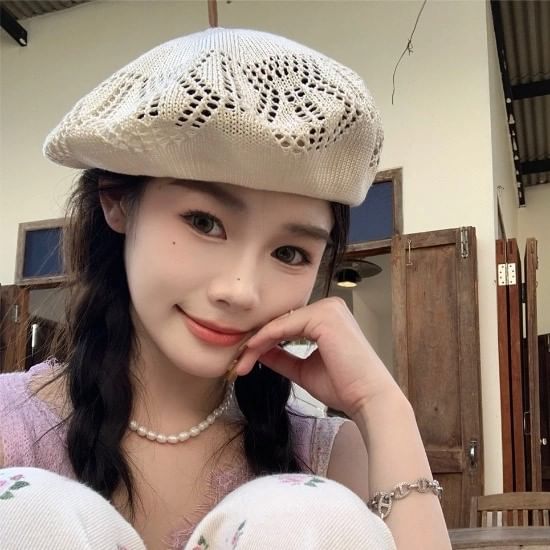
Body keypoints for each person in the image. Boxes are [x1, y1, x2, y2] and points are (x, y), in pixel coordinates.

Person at [0, 27, 451, 549]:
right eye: (204, 222)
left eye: (289, 253)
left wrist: (383, 405)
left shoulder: (325, 457)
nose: (240, 290)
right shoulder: (12, 427)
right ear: (116, 201)